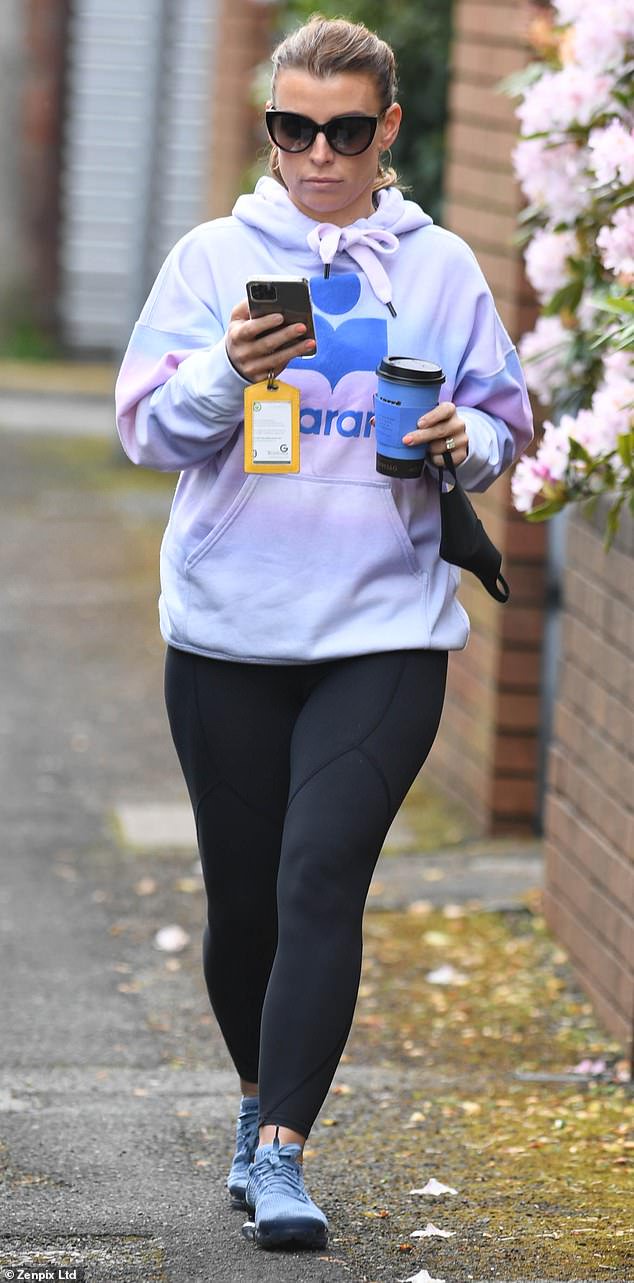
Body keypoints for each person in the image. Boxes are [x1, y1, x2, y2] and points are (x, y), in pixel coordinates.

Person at [115, 14, 533, 1253]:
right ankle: (254, 1103)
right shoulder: (208, 258)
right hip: (229, 631)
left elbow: (504, 416)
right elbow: (144, 430)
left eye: (344, 131)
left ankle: (287, 1153)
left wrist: (474, 440)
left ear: (386, 131)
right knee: (244, 904)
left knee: (319, 878)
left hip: (383, 630)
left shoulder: (442, 266)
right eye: (292, 129)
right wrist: (222, 373)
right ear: (272, 130)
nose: (316, 155)